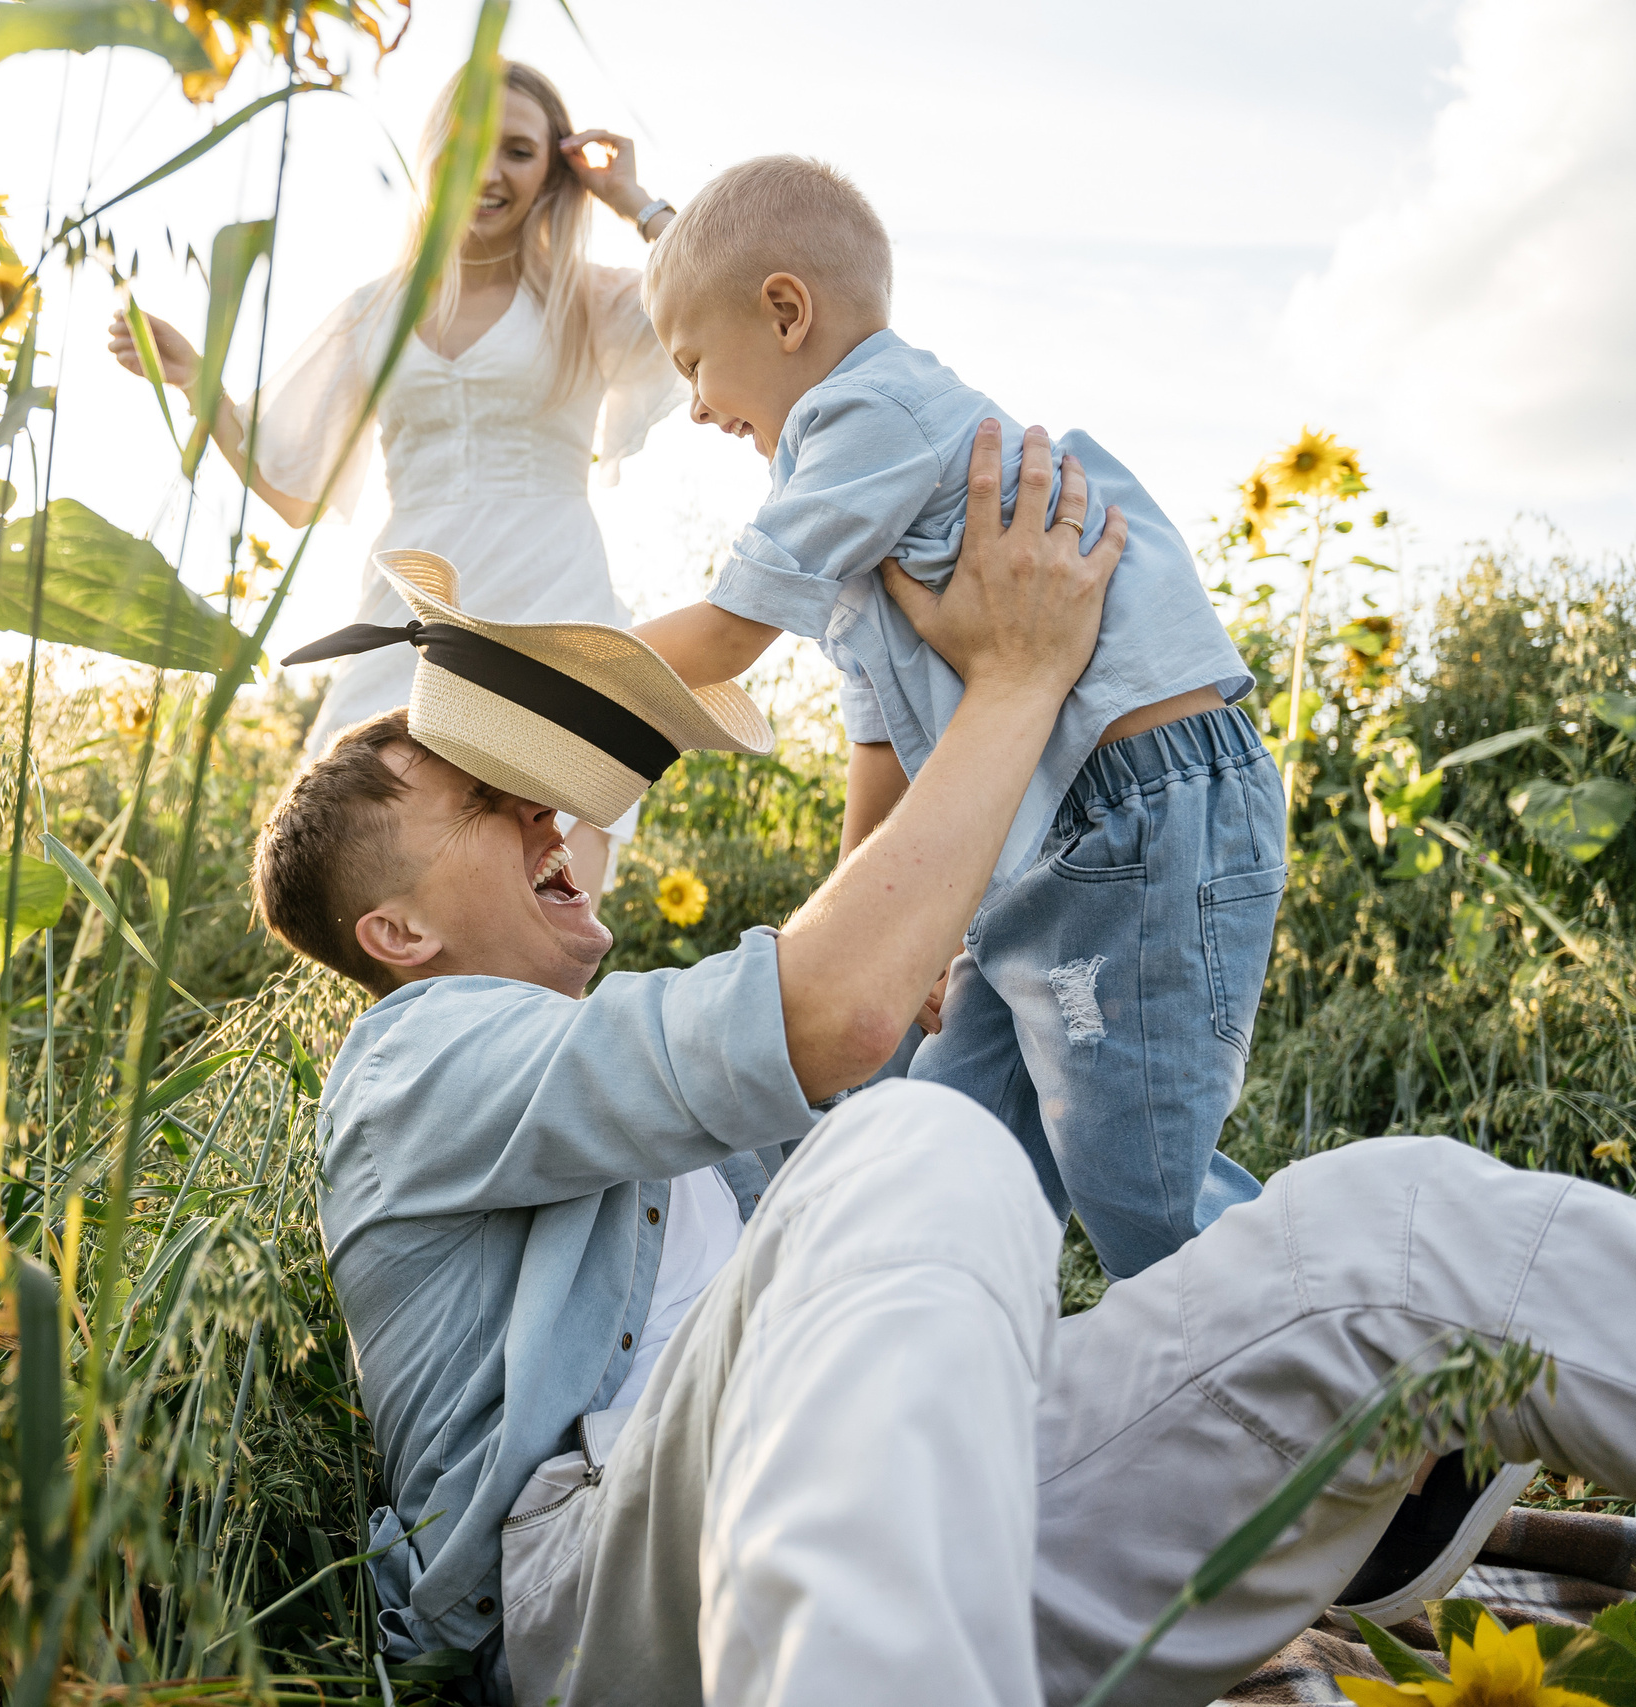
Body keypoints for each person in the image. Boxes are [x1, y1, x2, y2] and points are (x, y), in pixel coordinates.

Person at [251, 433, 1636, 1706]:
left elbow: (872, 1023)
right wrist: (1018, 677)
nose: (546, 808)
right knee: (915, 1149)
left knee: (1398, 1228)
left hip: (925, 1483)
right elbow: (840, 1019)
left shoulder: (621, 1097)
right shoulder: (408, 1059)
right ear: (399, 931)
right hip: (588, 1591)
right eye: (488, 800)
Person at [626, 156, 1287, 1282]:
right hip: (1039, 840)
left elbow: (732, 634)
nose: (691, 404)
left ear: (785, 311)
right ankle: (958, 1408)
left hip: (1136, 809)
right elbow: (879, 745)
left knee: (1137, 1179)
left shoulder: (866, 412)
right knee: (935, 1154)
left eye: (692, 363)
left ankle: (1405, 1415)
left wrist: (537, 667)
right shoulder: (860, 494)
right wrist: (888, 937)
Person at [109, 61, 686, 890]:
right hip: (409, 615)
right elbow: (294, 490)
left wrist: (633, 199)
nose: (488, 170)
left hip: (553, 604)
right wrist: (198, 381)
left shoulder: (588, 299)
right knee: (368, 872)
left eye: (518, 150)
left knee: (549, 890)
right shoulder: (371, 313)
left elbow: (722, 291)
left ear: (552, 172)